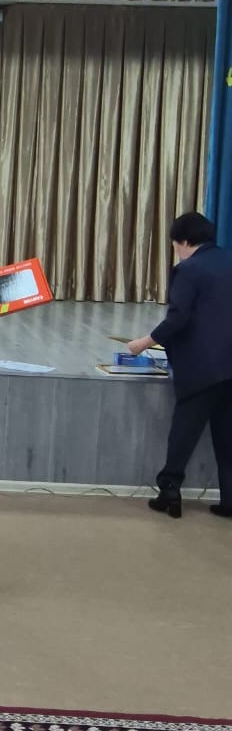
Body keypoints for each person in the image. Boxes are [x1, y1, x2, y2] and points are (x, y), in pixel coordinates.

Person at [128, 211, 232, 520]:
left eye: (175, 245)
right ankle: (229, 500)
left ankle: (170, 492)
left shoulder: (189, 269)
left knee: (184, 433)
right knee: (227, 437)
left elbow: (178, 318)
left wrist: (143, 343)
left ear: (184, 241)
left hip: (202, 368)